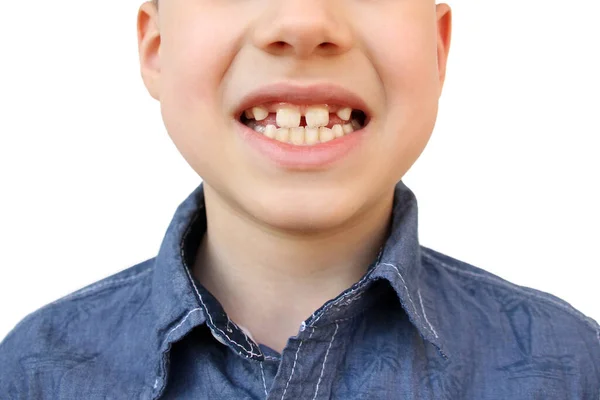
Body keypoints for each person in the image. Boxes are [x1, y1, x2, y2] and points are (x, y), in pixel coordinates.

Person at [1, 0, 598, 398]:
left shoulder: (573, 368)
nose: (305, 21)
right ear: (156, 46)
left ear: (438, 49)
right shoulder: (33, 373)